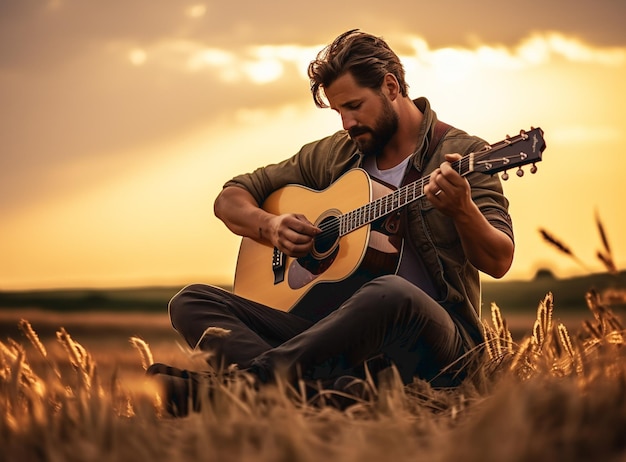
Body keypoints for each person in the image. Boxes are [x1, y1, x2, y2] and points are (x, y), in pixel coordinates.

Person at [147, 29, 515, 414]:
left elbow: (499, 260)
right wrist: (270, 228)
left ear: (391, 86)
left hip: (436, 346)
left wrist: (463, 210)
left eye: (355, 106)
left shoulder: (465, 154)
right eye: (339, 111)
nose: (347, 123)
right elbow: (232, 197)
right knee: (191, 301)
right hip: (331, 343)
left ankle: (248, 389)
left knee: (390, 292)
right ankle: (323, 394)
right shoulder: (335, 156)